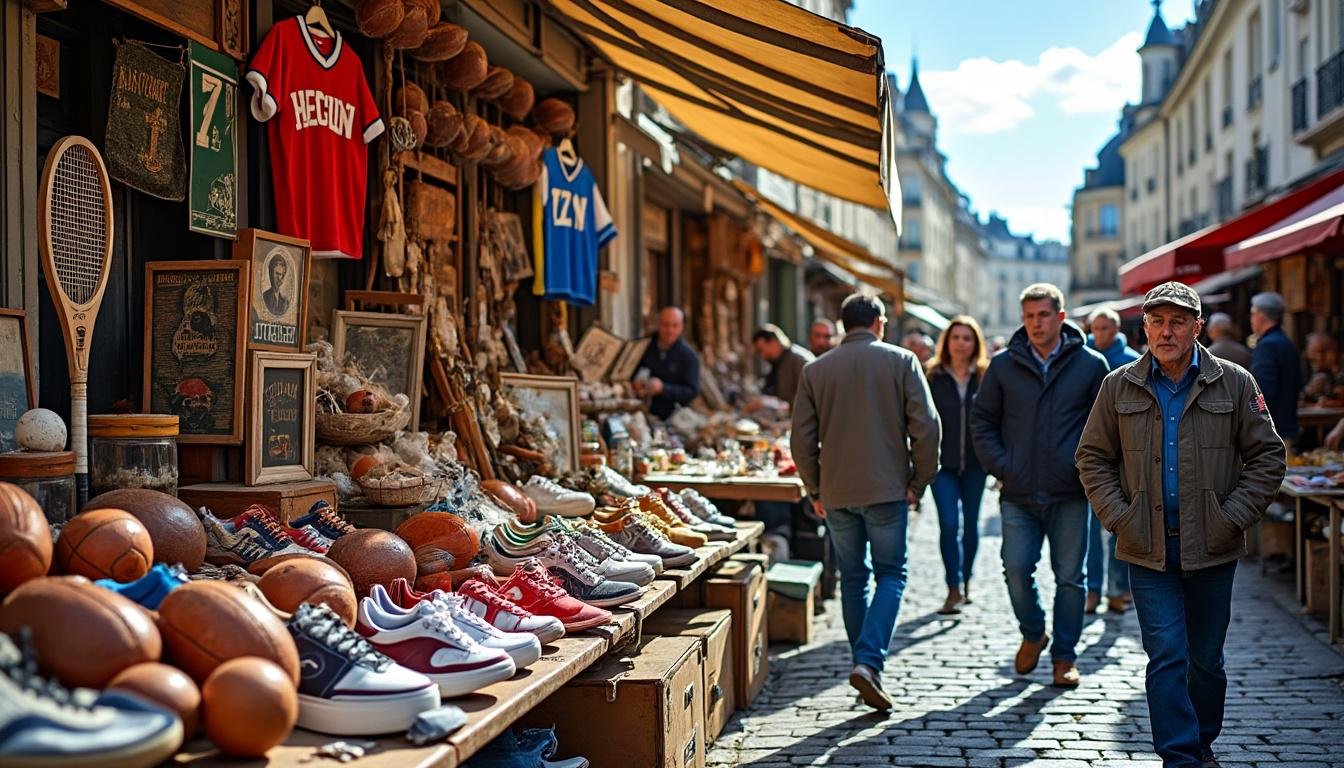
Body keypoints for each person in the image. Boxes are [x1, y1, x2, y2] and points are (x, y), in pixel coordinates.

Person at [1076, 281, 1284, 768]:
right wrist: (1118, 517)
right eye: (1156, 322)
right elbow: (1092, 457)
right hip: (1146, 546)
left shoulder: (1234, 381)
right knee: (1166, 655)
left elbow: (1269, 457)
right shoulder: (1118, 384)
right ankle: (1180, 757)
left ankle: (1202, 741)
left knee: (1206, 661)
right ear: (1144, 326)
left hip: (1213, 545)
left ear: (1197, 327)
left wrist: (1231, 517)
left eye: (1176, 322)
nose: (1165, 332)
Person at [791, 292, 940, 711]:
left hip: (837, 491)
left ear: (843, 325)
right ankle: (869, 662)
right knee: (892, 573)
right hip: (888, 487)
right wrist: (919, 480)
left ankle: (863, 662)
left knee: (853, 579)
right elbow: (927, 427)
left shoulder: (816, 369)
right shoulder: (901, 361)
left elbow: (801, 440)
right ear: (878, 322)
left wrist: (814, 488)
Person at [970, 283, 1109, 688]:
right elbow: (982, 422)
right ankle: (1034, 633)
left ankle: (1064, 657)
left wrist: (1086, 467)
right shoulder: (1002, 365)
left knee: (1071, 578)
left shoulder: (1090, 364)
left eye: (1043, 315)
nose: (1035, 323)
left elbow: (1107, 425)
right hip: (1018, 490)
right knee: (1015, 568)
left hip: (1070, 491)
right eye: (1029, 316)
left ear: (1060, 318)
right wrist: (1002, 466)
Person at [924, 316, 990, 615]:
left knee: (972, 526)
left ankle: (967, 582)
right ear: (946, 342)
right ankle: (952, 587)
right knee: (950, 524)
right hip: (942, 466)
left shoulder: (985, 376)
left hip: (976, 464)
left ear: (975, 343)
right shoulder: (933, 375)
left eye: (967, 338)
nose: (961, 343)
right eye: (955, 337)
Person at [1084, 308, 1141, 614]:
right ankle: (1093, 590)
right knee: (1092, 528)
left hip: (1126, 453)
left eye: (1104, 328)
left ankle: (1117, 589)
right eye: (1095, 328)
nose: (1099, 333)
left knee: (1120, 524)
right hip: (1095, 452)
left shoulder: (1132, 359)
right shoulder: (1084, 359)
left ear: (1116, 328)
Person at [1249, 292, 1304, 443]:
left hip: (1273, 431)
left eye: (1253, 314)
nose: (1251, 319)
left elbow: (1262, 391)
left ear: (1262, 316)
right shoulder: (1285, 342)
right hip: (1287, 426)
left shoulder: (1268, 345)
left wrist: (1251, 419)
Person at [632, 307, 700, 420]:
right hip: (638, 412)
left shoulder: (689, 356)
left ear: (681, 327)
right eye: (665, 325)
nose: (670, 330)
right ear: (658, 324)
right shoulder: (644, 346)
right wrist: (635, 383)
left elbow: (692, 391)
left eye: (675, 325)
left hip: (673, 417)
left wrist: (663, 389)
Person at [752, 324, 815, 405]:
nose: (761, 355)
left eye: (761, 350)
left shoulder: (798, 360)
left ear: (773, 342)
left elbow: (808, 396)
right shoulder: (778, 361)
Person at [1301, 332, 1344, 406]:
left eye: (1323, 351)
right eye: (1314, 353)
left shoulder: (1340, 370)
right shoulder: (1306, 368)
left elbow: (1340, 398)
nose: (1319, 358)